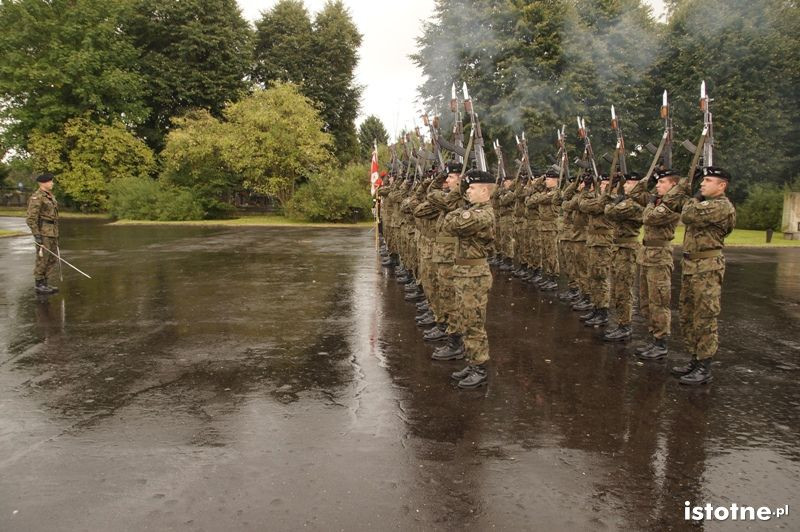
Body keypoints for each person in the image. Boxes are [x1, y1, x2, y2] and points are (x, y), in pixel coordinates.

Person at [671, 166, 736, 385]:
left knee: (705, 316)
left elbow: (688, 214)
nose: (702, 184)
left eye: (708, 180)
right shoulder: (703, 204)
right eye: (703, 180)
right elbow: (677, 204)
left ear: (722, 185)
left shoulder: (722, 206)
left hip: (707, 266)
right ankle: (695, 358)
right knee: (688, 315)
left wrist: (695, 197)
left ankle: (705, 365)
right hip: (692, 265)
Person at [443, 169, 497, 389]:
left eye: (472, 188)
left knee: (474, 324)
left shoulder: (484, 214)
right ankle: (472, 360)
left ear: (485, 190)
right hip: (465, 274)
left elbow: (451, 223)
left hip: (474, 275)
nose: (468, 192)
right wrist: (459, 213)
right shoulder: (473, 211)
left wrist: (457, 214)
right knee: (466, 320)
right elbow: (452, 220)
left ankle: (480, 367)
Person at [636, 169, 686, 359]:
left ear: (673, 185)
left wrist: (650, 203)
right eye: (657, 182)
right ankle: (653, 338)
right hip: (647, 255)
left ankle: (661, 341)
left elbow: (649, 217)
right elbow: (636, 195)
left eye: (662, 182)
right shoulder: (659, 202)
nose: (657, 185)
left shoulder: (673, 205)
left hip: (660, 257)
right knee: (646, 302)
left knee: (659, 302)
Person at [603, 172, 646, 341]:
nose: (625, 185)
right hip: (620, 247)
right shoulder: (629, 202)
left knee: (623, 289)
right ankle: (621, 323)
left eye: (629, 183)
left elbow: (609, 212)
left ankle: (625, 325)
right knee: (617, 288)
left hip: (627, 249)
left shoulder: (633, 204)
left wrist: (613, 201)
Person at [26, 173, 60, 295]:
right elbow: (31, 218)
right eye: (50, 181)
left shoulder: (50, 196)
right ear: (43, 183)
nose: (52, 183)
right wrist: (37, 235)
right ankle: (39, 284)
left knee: (52, 258)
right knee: (43, 259)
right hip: (43, 232)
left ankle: (45, 282)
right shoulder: (37, 197)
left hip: (52, 232)